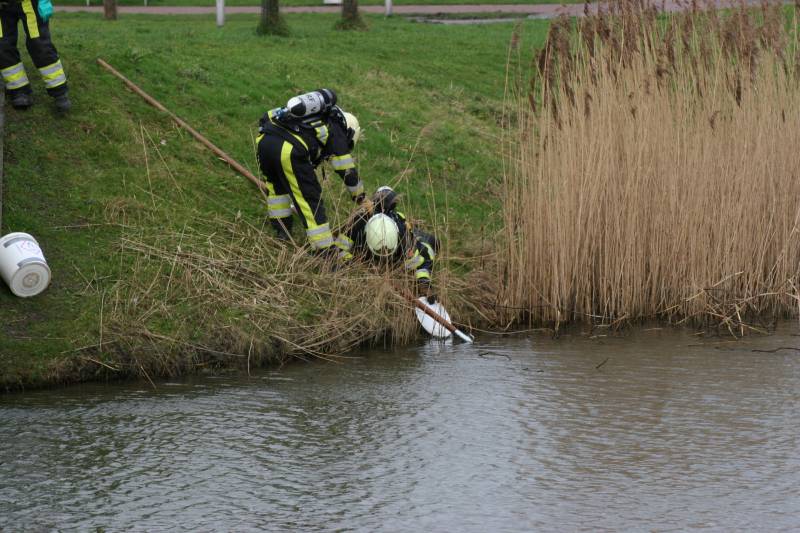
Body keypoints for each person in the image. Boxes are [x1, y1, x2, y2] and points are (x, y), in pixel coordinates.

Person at [256, 88, 364, 253]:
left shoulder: (312, 116)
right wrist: (360, 197)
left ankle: (282, 232)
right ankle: (323, 250)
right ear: (350, 132)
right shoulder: (336, 128)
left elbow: (267, 117)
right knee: (309, 198)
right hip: (289, 150)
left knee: (276, 188)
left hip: (265, 140)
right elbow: (346, 169)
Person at [336, 186, 440, 296]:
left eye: (387, 251)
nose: (383, 253)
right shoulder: (359, 223)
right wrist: (351, 263)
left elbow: (421, 259)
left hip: (406, 233)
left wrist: (423, 282)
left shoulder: (401, 231)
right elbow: (339, 248)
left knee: (433, 242)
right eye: (379, 251)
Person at [0, 0, 70, 111]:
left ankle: (59, 90)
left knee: (38, 44)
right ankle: (19, 89)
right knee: (2, 46)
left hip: (28, 3)